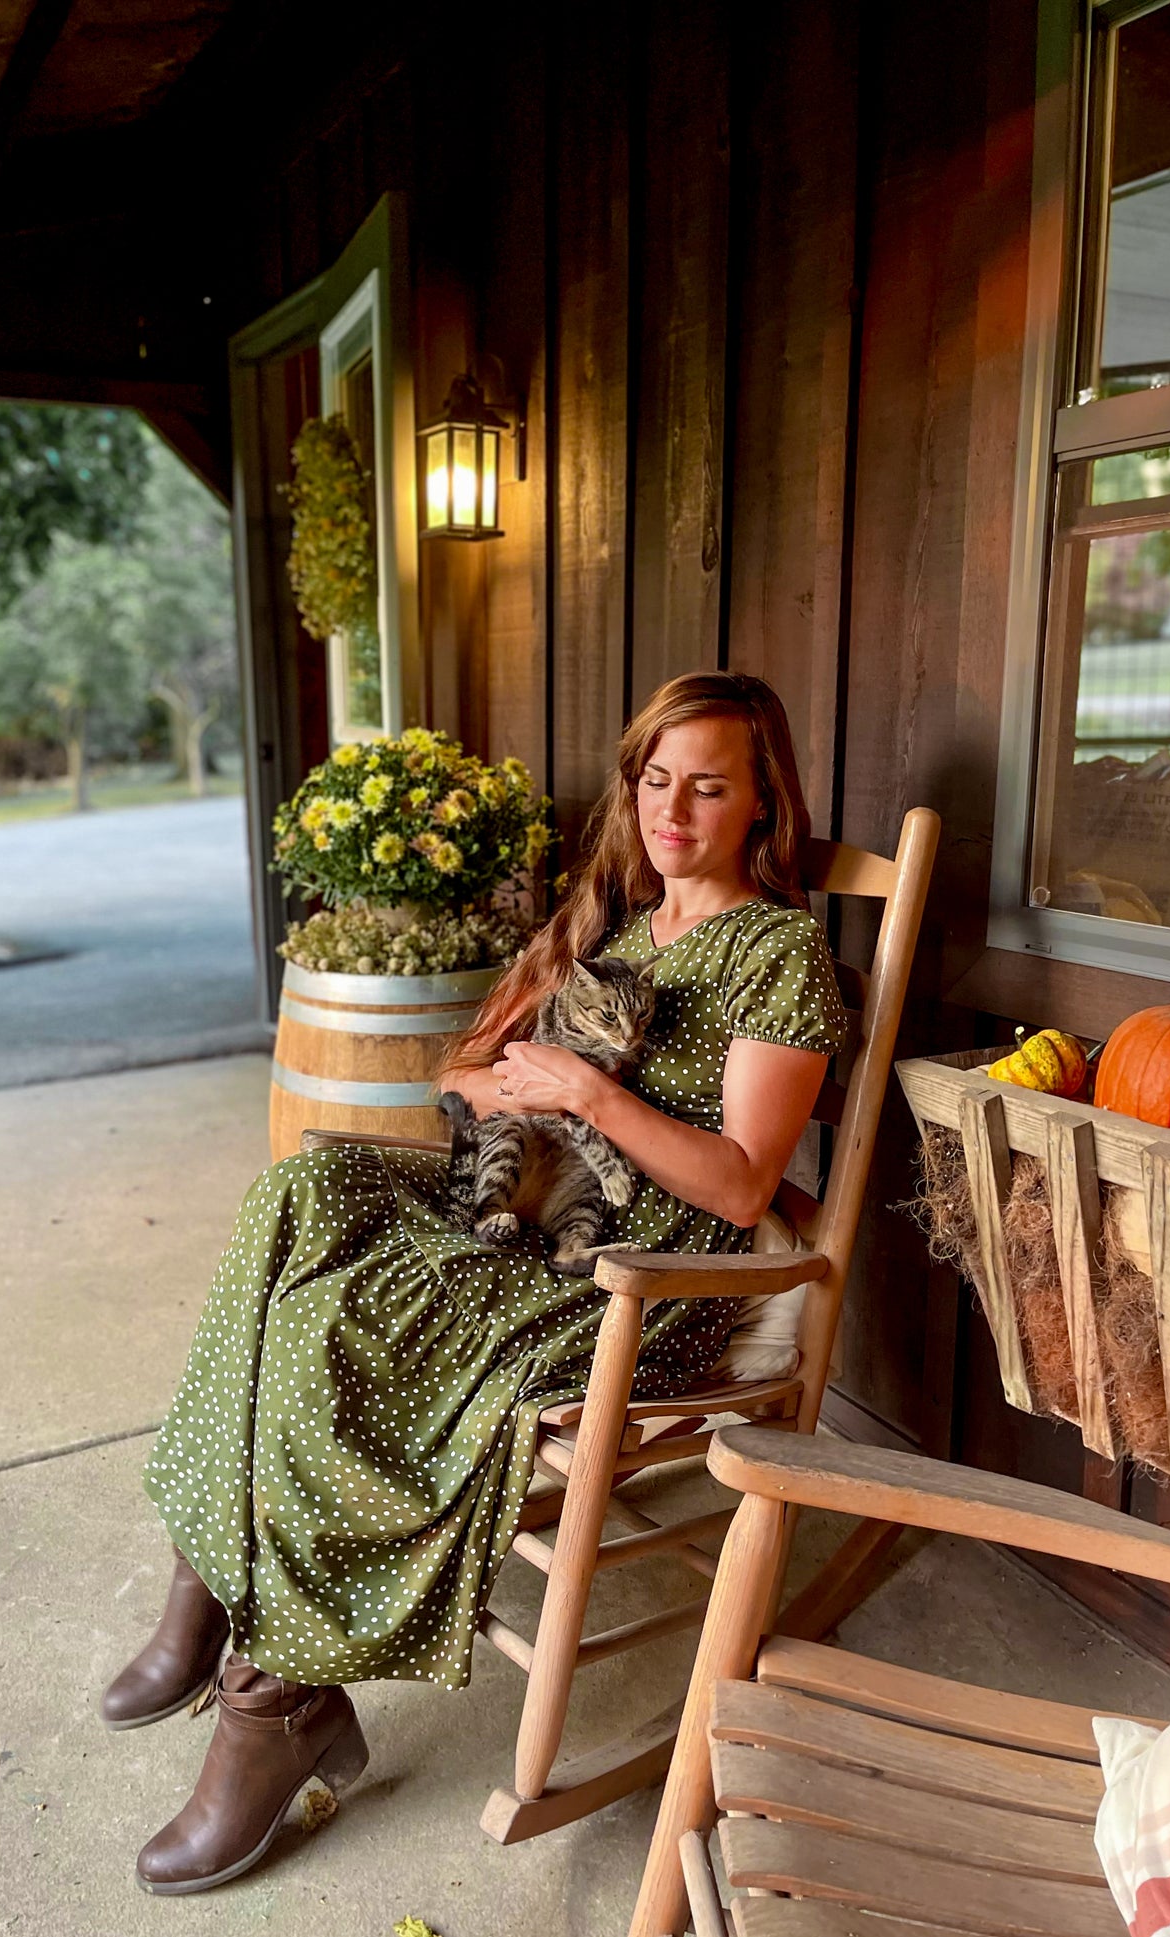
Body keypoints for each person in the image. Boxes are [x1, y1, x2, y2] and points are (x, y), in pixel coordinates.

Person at [101, 670, 846, 1895]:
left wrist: (591, 1093)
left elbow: (736, 1184)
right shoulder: (612, 920)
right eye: (655, 781)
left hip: (629, 1271)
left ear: (760, 804)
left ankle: (274, 1693)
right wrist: (507, 1084)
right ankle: (212, 1563)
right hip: (520, 1201)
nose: (671, 810)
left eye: (707, 786)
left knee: (340, 1312)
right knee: (296, 1193)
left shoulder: (777, 952)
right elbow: (477, 1077)